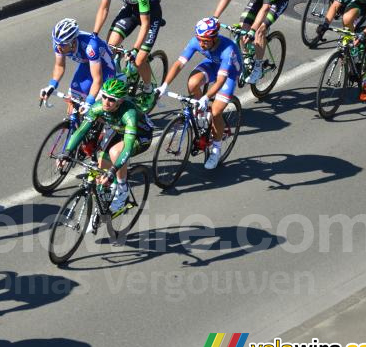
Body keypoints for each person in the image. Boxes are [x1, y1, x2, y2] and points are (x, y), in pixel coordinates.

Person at [155, 17, 242, 170]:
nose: (201, 44)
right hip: (213, 64)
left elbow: (221, 81)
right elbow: (179, 64)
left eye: (206, 41)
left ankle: (216, 149)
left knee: (215, 112)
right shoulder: (197, 41)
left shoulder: (228, 50)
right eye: (200, 39)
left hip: (228, 73)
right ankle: (201, 115)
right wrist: (164, 85)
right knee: (192, 83)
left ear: (215, 38)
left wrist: (206, 97)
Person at [61, 79, 153, 213]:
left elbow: (127, 147)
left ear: (120, 101)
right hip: (119, 130)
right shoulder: (98, 107)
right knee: (101, 170)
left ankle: (122, 189)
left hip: (140, 136)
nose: (106, 102)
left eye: (111, 99)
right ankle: (104, 205)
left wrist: (113, 170)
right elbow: (81, 131)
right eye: (104, 96)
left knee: (115, 152)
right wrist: (67, 152)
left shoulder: (129, 114)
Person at [212, 0, 290, 85]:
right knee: (242, 28)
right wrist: (215, 17)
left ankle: (258, 67)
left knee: (260, 31)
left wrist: (254, 29)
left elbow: (265, 8)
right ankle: (247, 58)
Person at [91, 0, 164, 100]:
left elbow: (145, 24)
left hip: (151, 15)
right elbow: (103, 9)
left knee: (139, 59)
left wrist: (136, 49)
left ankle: (149, 89)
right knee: (109, 47)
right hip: (130, 10)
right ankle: (119, 78)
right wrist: (94, 34)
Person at [39, 18, 116, 115]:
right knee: (73, 106)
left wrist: (89, 102)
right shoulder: (59, 44)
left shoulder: (90, 47)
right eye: (57, 43)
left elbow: (97, 80)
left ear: (73, 42)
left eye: (62, 44)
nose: (58, 47)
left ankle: (107, 128)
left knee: (98, 111)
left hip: (105, 69)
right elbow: (60, 66)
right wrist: (52, 85)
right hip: (87, 65)